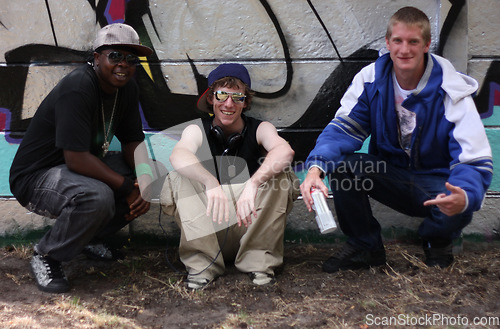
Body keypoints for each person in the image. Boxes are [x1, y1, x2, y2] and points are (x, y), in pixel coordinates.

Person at [300, 6, 492, 272]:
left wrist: (467, 195)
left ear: (426, 45)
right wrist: (315, 168)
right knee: (344, 167)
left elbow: (474, 159)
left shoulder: (451, 90)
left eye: (413, 41)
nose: (404, 50)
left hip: (435, 181)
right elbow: (343, 129)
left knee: (463, 196)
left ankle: (437, 241)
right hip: (390, 175)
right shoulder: (371, 80)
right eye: (398, 41)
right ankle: (365, 247)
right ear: (388, 43)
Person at [9, 23, 154, 293]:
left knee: (152, 173)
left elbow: (133, 140)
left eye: (131, 59)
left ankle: (88, 238)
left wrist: (145, 180)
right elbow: (76, 158)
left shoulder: (127, 89)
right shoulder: (78, 87)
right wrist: (125, 187)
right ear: (97, 57)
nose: (124, 64)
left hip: (75, 169)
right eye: (115, 56)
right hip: (36, 176)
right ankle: (47, 255)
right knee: (97, 195)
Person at [160, 63, 299, 289]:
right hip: (208, 226)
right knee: (180, 176)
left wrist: (254, 183)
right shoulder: (197, 129)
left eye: (237, 97)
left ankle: (258, 263)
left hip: (249, 224)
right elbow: (179, 154)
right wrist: (210, 182)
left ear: (246, 102)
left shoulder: (260, 128)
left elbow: (285, 151)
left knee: (281, 173)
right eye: (222, 95)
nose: (228, 103)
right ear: (211, 99)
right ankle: (201, 266)